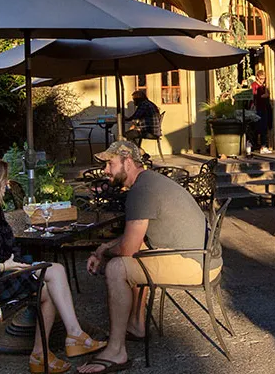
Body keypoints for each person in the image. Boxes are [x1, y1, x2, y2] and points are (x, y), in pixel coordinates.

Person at [0, 156, 105, 374]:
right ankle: (63, 342)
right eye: (3, 180)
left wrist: (22, 264)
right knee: (54, 273)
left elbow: (11, 248)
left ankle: (53, 348)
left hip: (4, 274)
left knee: (48, 281)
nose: (7, 184)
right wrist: (5, 267)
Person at [78, 140, 219, 374]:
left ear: (128, 162)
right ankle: (136, 325)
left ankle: (116, 352)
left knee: (117, 268)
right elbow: (134, 240)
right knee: (135, 257)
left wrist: (104, 254)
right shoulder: (148, 182)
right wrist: (103, 248)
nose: (105, 171)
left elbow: (127, 250)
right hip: (203, 259)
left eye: (110, 164)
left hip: (194, 264)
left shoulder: (141, 191)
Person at [251, 67, 273, 153]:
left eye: (264, 79)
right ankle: (260, 146)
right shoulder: (254, 85)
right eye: (261, 79)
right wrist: (266, 94)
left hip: (263, 108)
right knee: (259, 128)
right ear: (257, 77)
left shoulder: (262, 86)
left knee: (264, 128)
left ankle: (262, 146)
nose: (262, 80)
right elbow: (255, 96)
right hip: (258, 109)